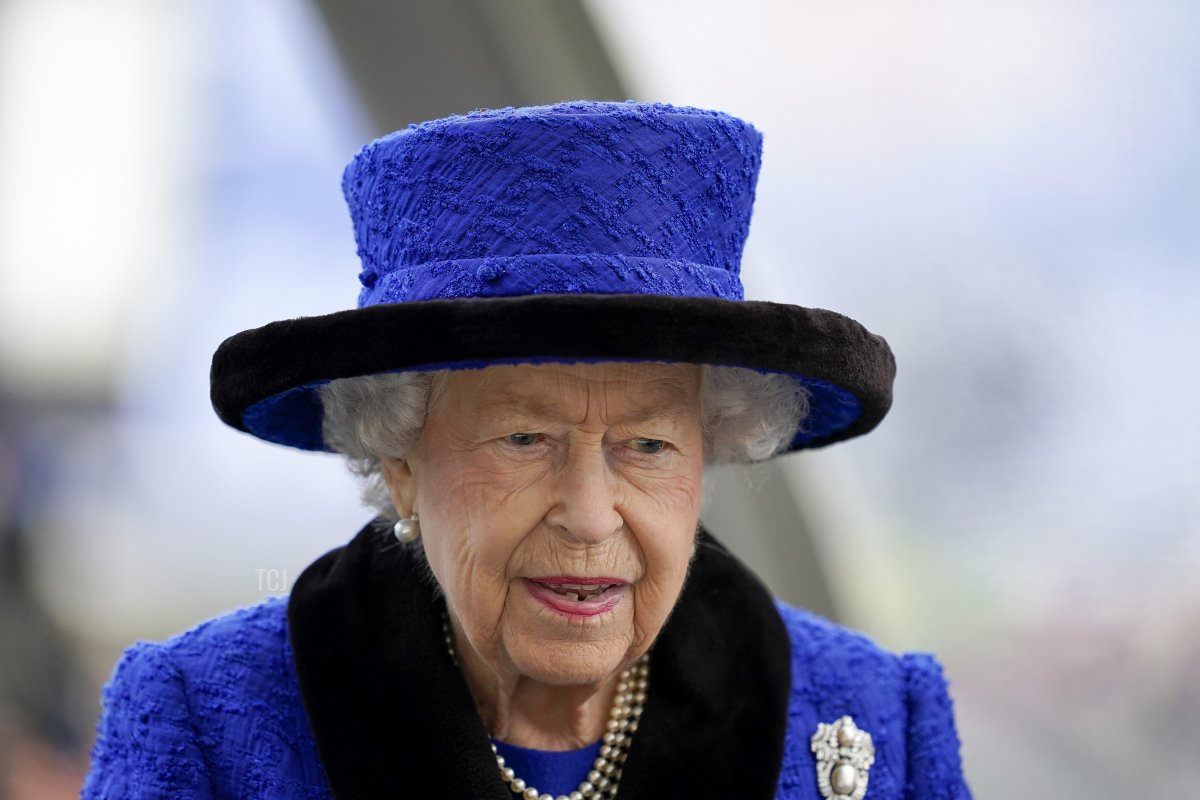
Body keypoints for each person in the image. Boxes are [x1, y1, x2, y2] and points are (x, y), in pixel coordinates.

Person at [82, 101, 971, 799]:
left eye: (647, 444)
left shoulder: (875, 717)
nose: (589, 516)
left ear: (711, 452)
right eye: (524, 438)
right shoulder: (206, 719)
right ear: (400, 462)